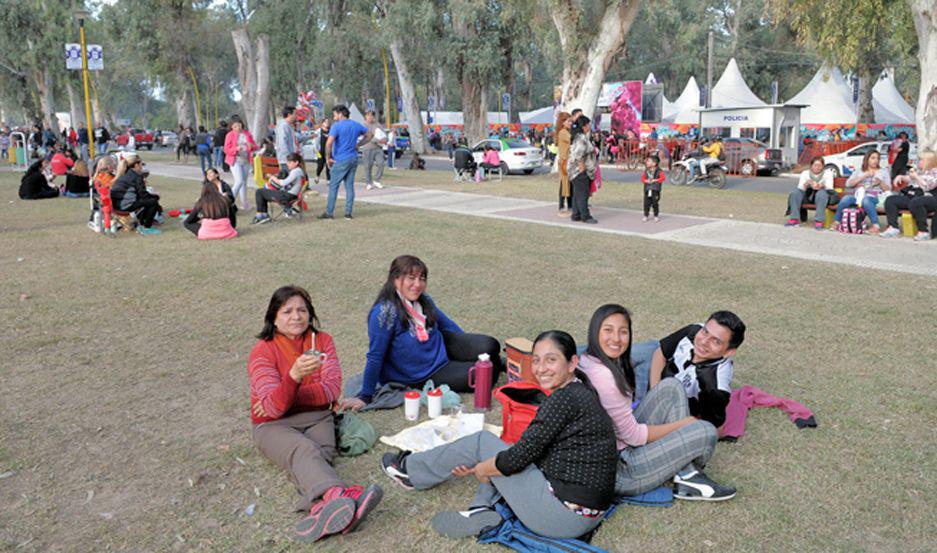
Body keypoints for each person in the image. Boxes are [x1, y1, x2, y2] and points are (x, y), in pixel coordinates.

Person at [380, 330, 618, 540]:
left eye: (551, 360)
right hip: (587, 513)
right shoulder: (580, 392)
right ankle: (480, 509)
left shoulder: (562, 400)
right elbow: (534, 449)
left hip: (563, 518)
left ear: (572, 362)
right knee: (502, 450)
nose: (541, 368)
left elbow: (517, 458)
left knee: (486, 443)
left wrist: (483, 469)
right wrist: (485, 465)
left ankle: (409, 471)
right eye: (536, 360)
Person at [249, 286, 382, 542]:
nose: (296, 316)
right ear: (273, 319)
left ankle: (321, 509)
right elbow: (275, 410)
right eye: (287, 311)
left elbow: (332, 390)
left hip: (318, 417)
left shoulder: (322, 341)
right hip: (273, 425)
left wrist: (288, 391)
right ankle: (343, 497)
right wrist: (295, 377)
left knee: (320, 456)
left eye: (302, 310)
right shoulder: (263, 351)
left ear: (310, 314)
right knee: (305, 452)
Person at [578, 305, 736, 501]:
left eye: (623, 331)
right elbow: (634, 436)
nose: (616, 339)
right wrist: (683, 425)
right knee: (706, 431)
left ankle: (686, 473)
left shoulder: (588, 358)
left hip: (614, 444)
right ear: (595, 330)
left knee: (671, 386)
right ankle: (688, 474)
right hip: (619, 470)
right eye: (608, 330)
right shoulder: (605, 377)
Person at [340, 255, 502, 409]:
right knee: (484, 374)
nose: (417, 284)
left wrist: (468, 348)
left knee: (490, 345)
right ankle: (497, 364)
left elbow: (447, 325)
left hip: (440, 346)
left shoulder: (423, 300)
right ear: (395, 279)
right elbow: (375, 356)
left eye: (422, 278)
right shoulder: (384, 313)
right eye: (411, 278)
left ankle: (494, 361)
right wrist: (365, 396)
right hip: (423, 372)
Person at [648, 311, 746, 429]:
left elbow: (710, 428)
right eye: (705, 331)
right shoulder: (694, 331)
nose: (703, 342)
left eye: (716, 341)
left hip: (674, 413)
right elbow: (660, 354)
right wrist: (654, 395)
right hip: (656, 376)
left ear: (729, 352)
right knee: (628, 354)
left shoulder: (713, 386)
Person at [320, 104, 368, 220]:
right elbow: (370, 135)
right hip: (353, 159)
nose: (334, 116)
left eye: (335, 114)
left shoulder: (336, 126)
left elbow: (329, 143)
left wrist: (327, 158)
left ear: (340, 114)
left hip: (341, 160)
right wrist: (358, 145)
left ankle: (329, 213)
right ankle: (348, 213)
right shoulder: (356, 125)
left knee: (333, 186)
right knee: (349, 186)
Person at [882, 149, 937, 241]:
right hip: (914, 196)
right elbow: (908, 178)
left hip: (930, 198)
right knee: (891, 200)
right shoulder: (919, 171)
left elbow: (927, 186)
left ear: (929, 162)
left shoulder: (935, 172)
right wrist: (900, 177)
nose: (918, 162)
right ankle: (893, 228)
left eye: (921, 160)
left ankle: (923, 231)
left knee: (916, 202)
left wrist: (916, 177)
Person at [832, 150, 891, 234]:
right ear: (867, 159)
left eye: (877, 158)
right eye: (873, 158)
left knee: (865, 199)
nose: (876, 161)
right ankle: (836, 222)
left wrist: (880, 182)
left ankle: (875, 226)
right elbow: (848, 184)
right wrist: (864, 176)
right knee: (846, 198)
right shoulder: (859, 171)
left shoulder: (883, 171)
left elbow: (888, 189)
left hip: (875, 197)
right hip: (858, 196)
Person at [110, 154, 163, 236]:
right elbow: (143, 194)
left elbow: (140, 195)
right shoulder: (137, 176)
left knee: (148, 201)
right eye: (141, 164)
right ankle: (146, 227)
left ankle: (142, 223)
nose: (142, 167)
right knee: (153, 202)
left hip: (116, 205)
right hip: (124, 206)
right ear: (136, 165)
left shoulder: (124, 173)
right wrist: (156, 196)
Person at [253, 153, 305, 225]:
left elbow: (283, 183)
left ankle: (261, 216)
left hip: (288, 196)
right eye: (287, 162)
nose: (287, 164)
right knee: (263, 192)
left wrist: (272, 177)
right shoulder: (299, 170)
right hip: (291, 195)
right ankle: (263, 215)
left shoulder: (296, 172)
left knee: (259, 192)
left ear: (296, 162)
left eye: (290, 162)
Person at [786, 156, 835, 230]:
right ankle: (794, 219)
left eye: (819, 165)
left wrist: (821, 185)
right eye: (815, 165)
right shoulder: (805, 173)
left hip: (821, 196)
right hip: (808, 195)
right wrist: (806, 184)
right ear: (811, 166)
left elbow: (829, 188)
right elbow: (800, 188)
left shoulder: (828, 174)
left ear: (823, 166)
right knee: (795, 193)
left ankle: (819, 221)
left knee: (821, 194)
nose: (817, 167)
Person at [184, 175, 237, 240]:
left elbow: (189, 220)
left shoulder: (201, 202)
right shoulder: (225, 200)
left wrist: (201, 216)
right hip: (227, 232)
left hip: (207, 233)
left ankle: (207, 230)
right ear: (217, 189)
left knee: (186, 223)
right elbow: (233, 219)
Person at [567, 115, 598, 224]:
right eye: (588, 124)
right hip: (579, 171)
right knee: (583, 194)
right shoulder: (581, 138)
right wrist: (582, 167)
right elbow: (577, 154)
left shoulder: (579, 137)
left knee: (577, 193)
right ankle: (586, 216)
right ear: (584, 126)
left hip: (575, 171)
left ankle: (576, 214)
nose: (590, 126)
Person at [223, 115, 258, 211]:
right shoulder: (229, 135)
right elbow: (226, 149)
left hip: (246, 161)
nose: (238, 128)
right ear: (231, 127)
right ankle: (228, 202)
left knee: (244, 183)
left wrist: (252, 146)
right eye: (235, 126)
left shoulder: (247, 134)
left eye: (239, 125)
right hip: (235, 161)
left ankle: (244, 204)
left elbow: (255, 146)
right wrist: (236, 149)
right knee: (239, 181)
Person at [361, 110, 387, 190]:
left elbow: (383, 135)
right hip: (367, 148)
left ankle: (377, 180)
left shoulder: (377, 124)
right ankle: (369, 182)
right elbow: (366, 136)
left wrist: (384, 139)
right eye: (368, 115)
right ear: (365, 116)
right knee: (368, 166)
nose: (370, 117)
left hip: (378, 148)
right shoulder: (363, 125)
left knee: (381, 163)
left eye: (372, 116)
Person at [555, 112, 573, 216]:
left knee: (566, 184)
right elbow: (573, 139)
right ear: (562, 122)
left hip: (565, 161)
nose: (570, 123)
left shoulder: (563, 131)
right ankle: (564, 206)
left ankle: (565, 205)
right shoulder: (563, 132)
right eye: (568, 121)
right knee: (565, 184)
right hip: (565, 161)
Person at [641, 154, 666, 222]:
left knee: (655, 203)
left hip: (655, 189)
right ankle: (646, 215)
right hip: (647, 189)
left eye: (649, 161)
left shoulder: (659, 171)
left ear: (654, 163)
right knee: (646, 203)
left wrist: (655, 180)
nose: (647, 162)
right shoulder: (646, 170)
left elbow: (663, 178)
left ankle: (656, 215)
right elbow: (642, 178)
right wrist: (646, 181)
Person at [275, 106, 298, 177]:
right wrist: (289, 158)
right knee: (289, 181)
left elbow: (294, 140)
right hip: (286, 160)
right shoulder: (283, 126)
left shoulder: (288, 126)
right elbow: (282, 143)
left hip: (289, 159)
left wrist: (309, 137)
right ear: (289, 115)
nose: (296, 116)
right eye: (295, 114)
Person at [314, 119, 330, 184]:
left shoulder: (331, 131)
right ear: (322, 123)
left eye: (328, 122)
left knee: (328, 165)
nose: (327, 123)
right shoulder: (318, 132)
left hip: (329, 151)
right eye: (325, 122)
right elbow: (315, 144)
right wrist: (317, 153)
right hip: (320, 151)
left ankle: (329, 179)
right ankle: (317, 176)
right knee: (320, 165)